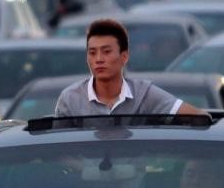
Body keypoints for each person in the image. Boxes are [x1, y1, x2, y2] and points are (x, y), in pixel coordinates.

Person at [53, 19, 204, 117]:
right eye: (92, 53)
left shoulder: (144, 94)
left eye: (106, 52)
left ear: (124, 57)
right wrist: (81, 166)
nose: (98, 59)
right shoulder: (71, 98)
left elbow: (199, 118)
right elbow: (57, 149)